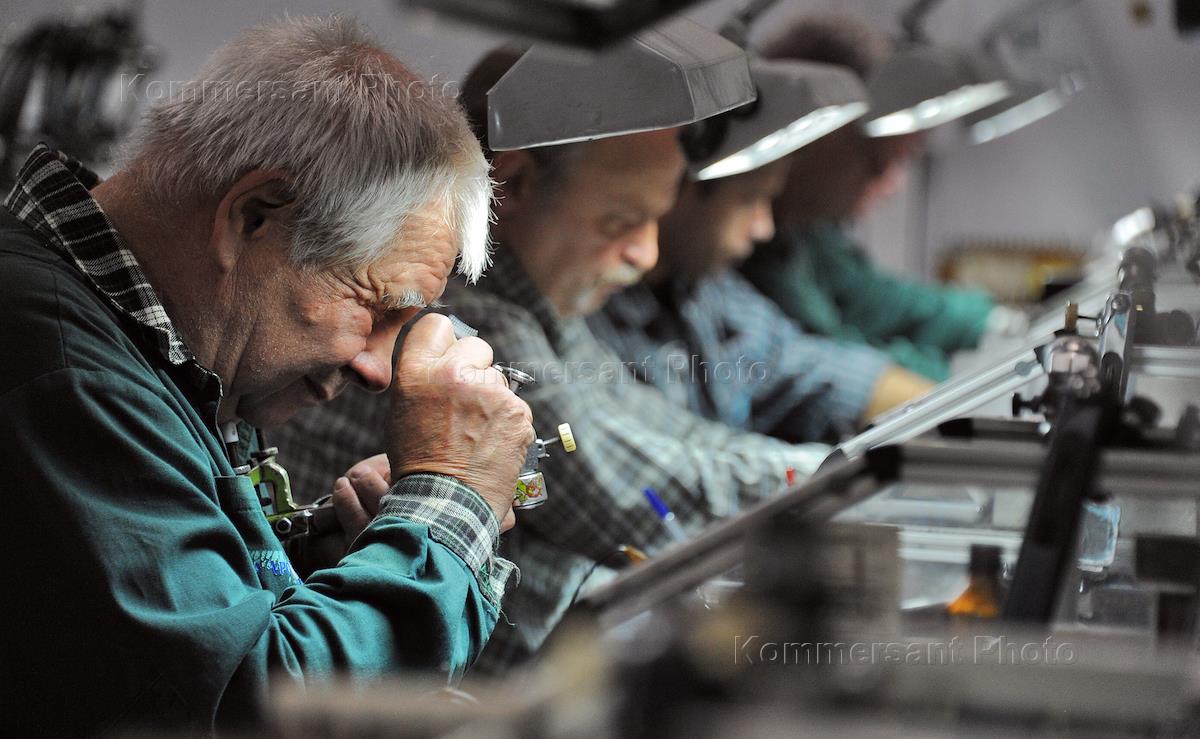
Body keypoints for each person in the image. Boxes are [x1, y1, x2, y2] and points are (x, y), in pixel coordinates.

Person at [272, 45, 927, 676]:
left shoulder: (546, 320)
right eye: (620, 220)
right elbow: (640, 498)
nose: (647, 254)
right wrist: (851, 475)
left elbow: (672, 435)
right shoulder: (470, 330)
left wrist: (848, 470)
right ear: (515, 182)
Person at [0, 18, 535, 735]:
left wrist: (315, 566)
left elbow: (144, 656)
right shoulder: (61, 370)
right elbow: (246, 706)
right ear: (254, 216)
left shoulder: (140, 353)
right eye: (375, 307)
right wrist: (450, 497)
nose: (377, 369)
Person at [739, 13, 1020, 382]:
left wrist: (996, 322)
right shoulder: (751, 254)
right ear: (820, 132)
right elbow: (834, 356)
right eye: (877, 163)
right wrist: (960, 372)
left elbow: (877, 301)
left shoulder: (806, 235)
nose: (893, 184)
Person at [589, 144, 933, 442]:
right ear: (681, 193)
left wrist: (941, 414)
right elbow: (673, 460)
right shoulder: (587, 326)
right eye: (750, 199)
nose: (764, 229)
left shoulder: (706, 292)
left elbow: (803, 366)